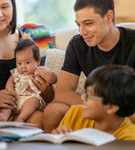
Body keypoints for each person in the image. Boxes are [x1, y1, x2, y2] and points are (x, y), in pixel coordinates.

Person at [43, 0, 135, 133]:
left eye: (88, 23)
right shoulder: (78, 44)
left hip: (126, 109)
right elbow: (62, 92)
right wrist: (98, 108)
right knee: (53, 110)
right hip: (96, 107)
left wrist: (109, 109)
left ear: (109, 16)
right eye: (78, 25)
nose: (82, 32)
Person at [52, 65, 135, 140]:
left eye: (88, 96)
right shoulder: (75, 114)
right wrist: (59, 139)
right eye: (85, 92)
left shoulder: (129, 139)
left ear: (111, 107)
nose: (82, 97)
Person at [0, 38, 57, 122]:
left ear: (38, 61)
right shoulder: (16, 72)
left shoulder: (41, 70)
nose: (23, 67)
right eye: (19, 63)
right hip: (17, 99)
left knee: (33, 101)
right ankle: (3, 116)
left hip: (32, 98)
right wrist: (10, 89)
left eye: (27, 62)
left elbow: (53, 79)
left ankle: (21, 118)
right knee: (7, 103)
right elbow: (10, 81)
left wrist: (41, 73)